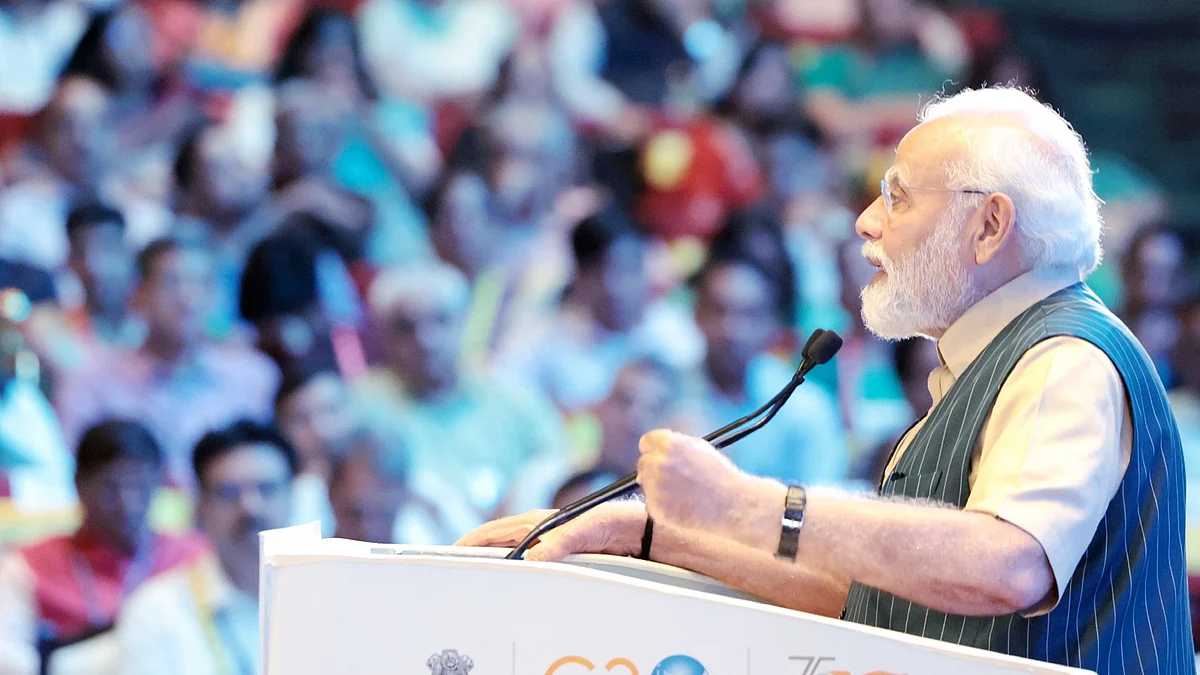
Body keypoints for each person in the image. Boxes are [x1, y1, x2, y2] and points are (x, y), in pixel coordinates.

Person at [461, 87, 1191, 671]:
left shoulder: (1064, 356)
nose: (866, 223)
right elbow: (878, 599)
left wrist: (747, 506)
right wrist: (647, 534)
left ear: (991, 225)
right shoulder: (996, 361)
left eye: (899, 197)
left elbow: (1010, 566)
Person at [355, 262, 570, 533]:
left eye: (440, 320)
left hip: (516, 542)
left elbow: (558, 463)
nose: (425, 339)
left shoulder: (509, 393)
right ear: (382, 334)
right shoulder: (363, 405)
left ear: (462, 324)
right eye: (406, 327)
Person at [55, 237, 280, 491]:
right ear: (138, 295)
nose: (188, 298)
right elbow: (75, 478)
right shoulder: (90, 382)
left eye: (202, 283)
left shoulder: (252, 375)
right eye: (172, 283)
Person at [0, 420, 208, 675]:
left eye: (139, 485)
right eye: (111, 487)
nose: (127, 503)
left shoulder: (195, 558)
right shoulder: (27, 565)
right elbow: (8, 659)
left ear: (158, 482)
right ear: (79, 484)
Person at [114, 420, 297, 675]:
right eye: (230, 492)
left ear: (294, 497)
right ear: (200, 508)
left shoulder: (330, 599)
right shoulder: (158, 613)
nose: (251, 507)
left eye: (267, 489)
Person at [498, 203, 701, 412]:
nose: (625, 286)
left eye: (634, 269)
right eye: (614, 271)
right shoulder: (544, 345)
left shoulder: (671, 331)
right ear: (581, 276)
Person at [673, 252, 848, 486]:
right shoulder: (661, 391)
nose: (731, 329)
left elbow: (822, 505)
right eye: (719, 310)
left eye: (749, 315)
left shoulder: (806, 408)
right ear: (696, 314)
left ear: (771, 324)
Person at [274, 366, 357, 535]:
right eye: (301, 419)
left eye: (330, 410)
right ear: (281, 430)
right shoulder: (288, 501)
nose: (320, 429)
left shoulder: (400, 479)